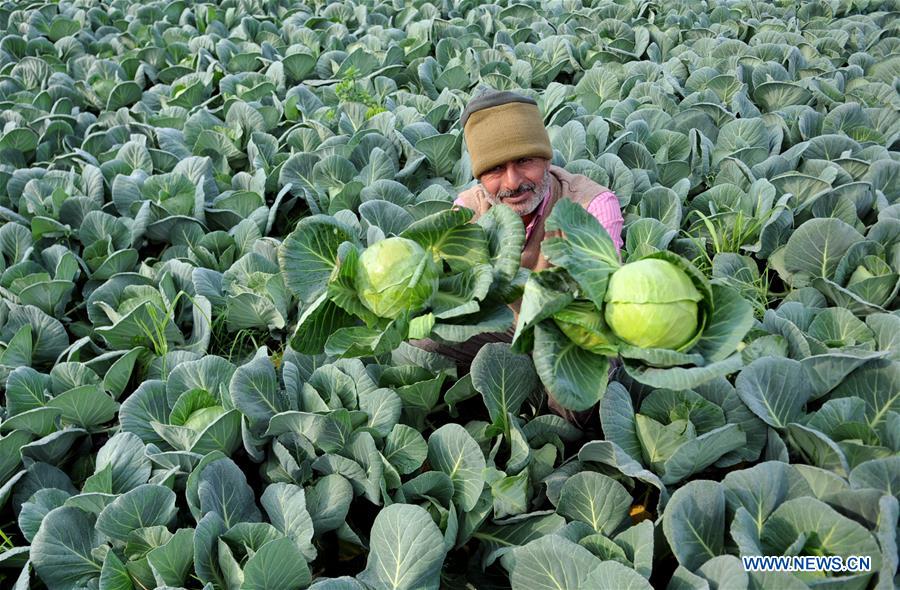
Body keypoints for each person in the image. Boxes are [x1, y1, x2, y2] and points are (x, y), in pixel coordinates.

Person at [415, 89, 624, 413]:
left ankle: (570, 429)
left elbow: (598, 299)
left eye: (525, 161)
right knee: (425, 337)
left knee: (573, 388)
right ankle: (492, 400)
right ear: (479, 176)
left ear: (546, 158)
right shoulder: (468, 210)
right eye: (495, 169)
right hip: (506, 324)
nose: (512, 182)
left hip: (573, 329)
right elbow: (449, 289)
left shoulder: (591, 205)